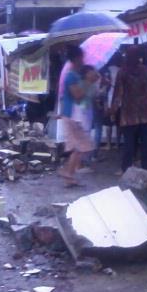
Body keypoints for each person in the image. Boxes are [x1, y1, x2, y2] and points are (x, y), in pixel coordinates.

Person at [113, 46, 147, 174]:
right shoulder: (146, 70)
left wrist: (113, 110)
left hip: (129, 112)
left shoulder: (123, 71)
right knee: (145, 143)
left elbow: (118, 93)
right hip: (146, 111)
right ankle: (146, 169)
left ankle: (126, 169)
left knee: (129, 143)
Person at [57, 45, 94, 187]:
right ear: (76, 59)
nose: (83, 60)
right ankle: (66, 172)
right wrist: (88, 82)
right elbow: (77, 95)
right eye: (81, 58)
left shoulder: (76, 74)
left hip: (73, 114)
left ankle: (69, 178)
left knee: (76, 147)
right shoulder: (71, 76)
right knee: (81, 146)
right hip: (72, 114)